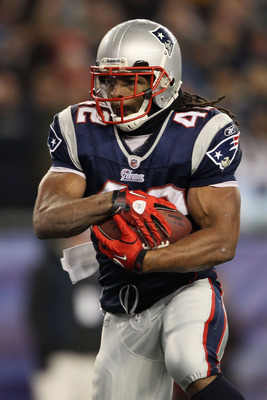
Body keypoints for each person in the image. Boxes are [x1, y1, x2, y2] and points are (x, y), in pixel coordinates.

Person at [33, 19, 245, 400]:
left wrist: (145, 259)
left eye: (127, 80)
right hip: (121, 302)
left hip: (185, 285)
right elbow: (46, 218)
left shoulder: (202, 131)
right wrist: (114, 201)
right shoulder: (78, 126)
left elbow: (223, 241)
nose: (112, 90)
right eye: (107, 79)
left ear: (161, 81)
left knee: (189, 361)